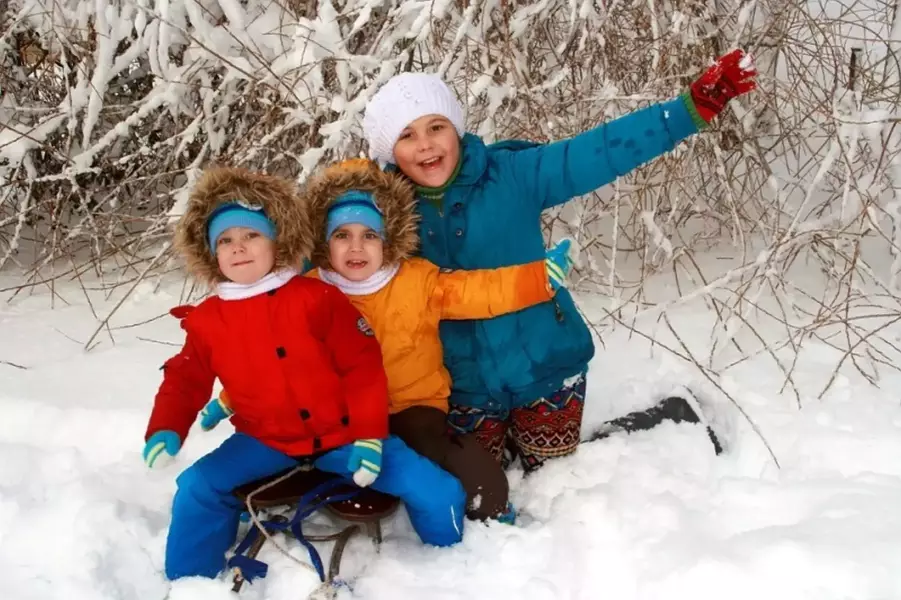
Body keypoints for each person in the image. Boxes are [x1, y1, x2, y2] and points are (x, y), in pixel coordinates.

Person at [360, 49, 757, 469]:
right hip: (460, 384)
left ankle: (667, 415)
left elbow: (597, 152)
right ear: (389, 151)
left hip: (542, 366)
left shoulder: (512, 175)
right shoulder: (380, 213)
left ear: (455, 129)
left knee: (555, 473)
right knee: (477, 482)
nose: (425, 145)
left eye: (436, 127)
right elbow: (330, 255)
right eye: (407, 135)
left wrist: (685, 111)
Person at [202, 158, 574, 522]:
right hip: (339, 414)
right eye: (342, 235)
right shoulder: (307, 290)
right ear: (323, 241)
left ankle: (490, 514)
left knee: (454, 460)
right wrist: (230, 398)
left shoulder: (417, 280)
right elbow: (273, 358)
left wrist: (537, 279)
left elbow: (480, 291)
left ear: (388, 238)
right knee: (310, 456)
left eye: (369, 235)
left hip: (411, 408)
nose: (356, 248)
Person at [143, 166, 465, 580]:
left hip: (344, 436)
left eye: (251, 235)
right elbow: (185, 378)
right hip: (265, 441)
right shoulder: (208, 321)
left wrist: (368, 433)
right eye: (225, 240)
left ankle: (452, 568)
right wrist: (165, 427)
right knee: (196, 487)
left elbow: (361, 365)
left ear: (276, 240)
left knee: (438, 491)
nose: (238, 247)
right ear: (211, 253)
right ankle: (189, 582)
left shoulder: (317, 298)